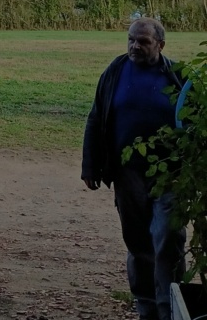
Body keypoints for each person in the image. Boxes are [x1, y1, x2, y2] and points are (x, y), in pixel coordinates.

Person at [81, 18, 186, 320]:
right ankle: (146, 307)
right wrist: (91, 164)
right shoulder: (115, 71)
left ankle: (170, 307)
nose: (134, 46)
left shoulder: (178, 77)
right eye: (131, 39)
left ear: (160, 45)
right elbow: (96, 117)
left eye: (143, 42)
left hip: (170, 174)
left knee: (168, 237)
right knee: (138, 242)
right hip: (128, 175)